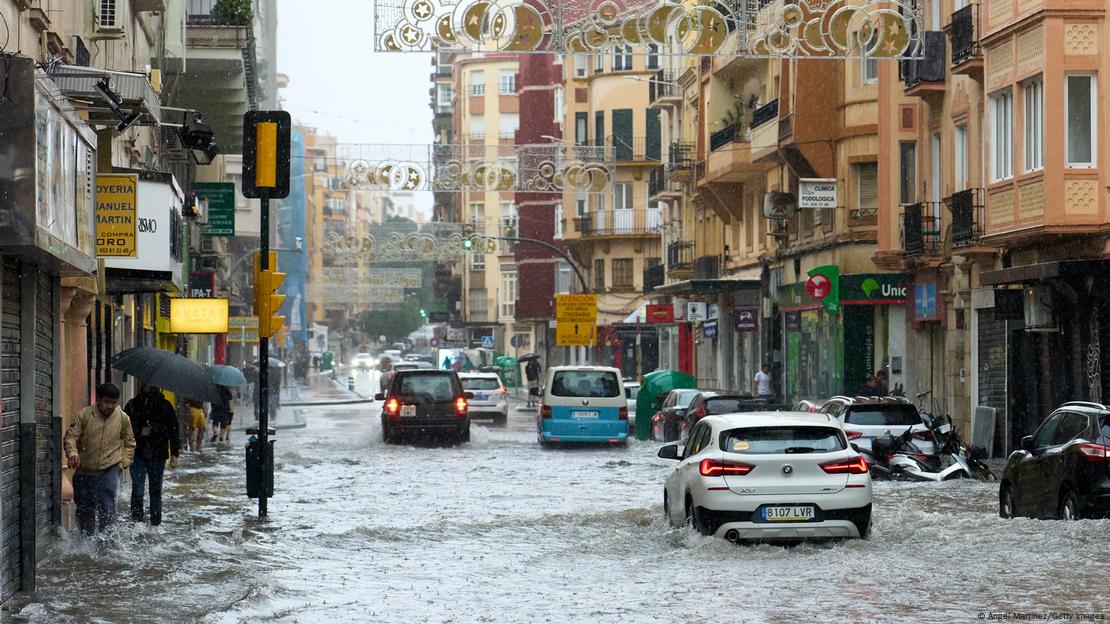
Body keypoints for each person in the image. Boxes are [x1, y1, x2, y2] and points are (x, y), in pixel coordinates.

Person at [64, 383, 136, 536]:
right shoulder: (84, 415)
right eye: (106, 402)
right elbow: (70, 437)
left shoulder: (123, 418)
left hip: (110, 469)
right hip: (85, 470)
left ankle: (106, 545)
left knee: (107, 506)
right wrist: (73, 454)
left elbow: (130, 443)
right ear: (98, 400)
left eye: (113, 402)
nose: (110, 406)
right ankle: (86, 542)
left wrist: (122, 464)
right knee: (84, 510)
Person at [124, 384, 180, 526]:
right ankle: (137, 523)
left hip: (158, 454)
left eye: (153, 385)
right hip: (137, 453)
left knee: (155, 491)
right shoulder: (132, 405)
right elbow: (124, 428)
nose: (150, 387)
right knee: (138, 488)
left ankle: (155, 524)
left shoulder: (165, 406)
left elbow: (173, 431)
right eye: (147, 384)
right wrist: (139, 432)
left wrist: (175, 453)